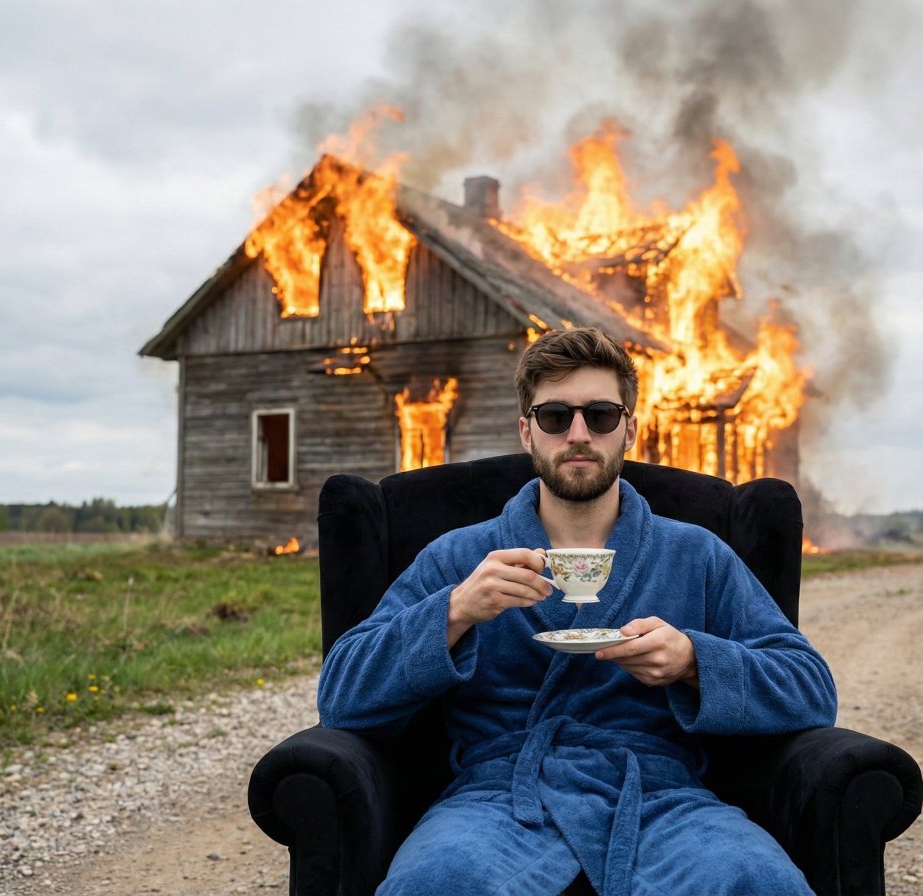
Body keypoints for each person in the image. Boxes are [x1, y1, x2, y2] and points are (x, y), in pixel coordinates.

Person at [317, 327, 838, 896]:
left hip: (663, 802)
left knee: (756, 879)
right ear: (527, 432)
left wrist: (694, 661)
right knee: (437, 879)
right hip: (496, 801)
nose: (580, 434)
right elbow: (341, 693)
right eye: (556, 416)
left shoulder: (696, 555)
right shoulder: (460, 558)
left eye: (602, 415)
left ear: (631, 430)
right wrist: (455, 611)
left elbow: (811, 690)